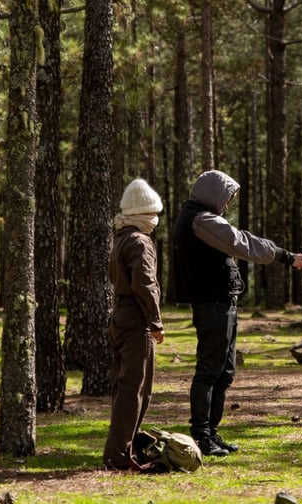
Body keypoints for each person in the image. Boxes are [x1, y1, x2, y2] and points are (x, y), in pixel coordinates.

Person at [173, 169, 302, 457]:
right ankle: (201, 436)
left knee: (224, 372)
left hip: (222, 303)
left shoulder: (202, 217)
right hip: (212, 305)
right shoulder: (202, 220)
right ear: (213, 194)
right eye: (227, 197)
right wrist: (285, 256)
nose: (228, 203)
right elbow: (241, 242)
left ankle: (211, 433)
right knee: (210, 371)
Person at [103, 178, 166, 471]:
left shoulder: (121, 240)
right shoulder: (140, 242)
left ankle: (123, 450)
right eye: (152, 215)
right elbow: (146, 284)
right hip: (136, 319)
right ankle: (120, 456)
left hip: (119, 317)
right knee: (136, 390)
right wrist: (155, 320)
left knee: (125, 387)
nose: (155, 221)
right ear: (142, 215)